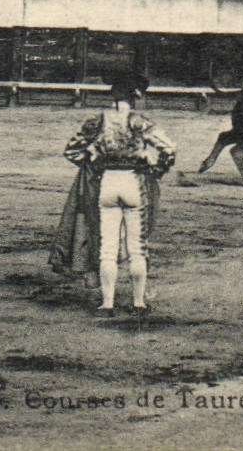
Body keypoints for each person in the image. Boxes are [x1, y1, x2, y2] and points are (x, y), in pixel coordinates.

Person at [55, 75, 175, 316]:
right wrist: (155, 169)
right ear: (135, 97)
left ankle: (107, 304)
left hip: (107, 184)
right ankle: (138, 303)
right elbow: (169, 149)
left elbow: (71, 151)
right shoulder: (139, 122)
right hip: (133, 183)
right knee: (137, 248)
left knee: (107, 249)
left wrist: (94, 163)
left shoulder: (98, 121)